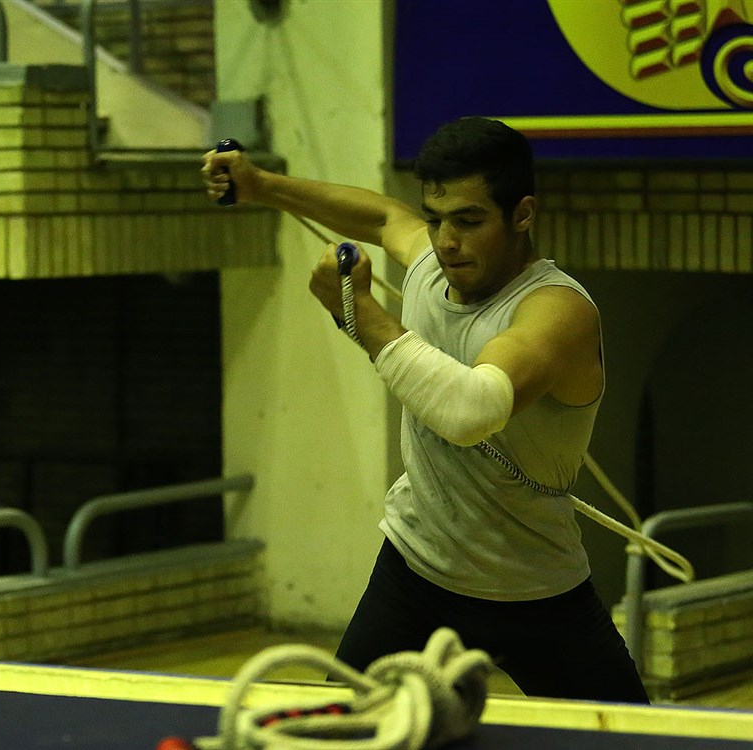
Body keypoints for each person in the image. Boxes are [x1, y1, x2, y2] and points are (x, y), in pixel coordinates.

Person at [201, 117, 648, 703]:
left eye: (469, 221)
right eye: (435, 220)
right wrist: (262, 185)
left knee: (633, 738)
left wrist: (359, 312)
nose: (446, 241)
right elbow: (383, 217)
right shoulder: (432, 269)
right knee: (349, 729)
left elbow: (471, 411)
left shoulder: (555, 311)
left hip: (534, 591)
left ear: (522, 214)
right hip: (415, 572)